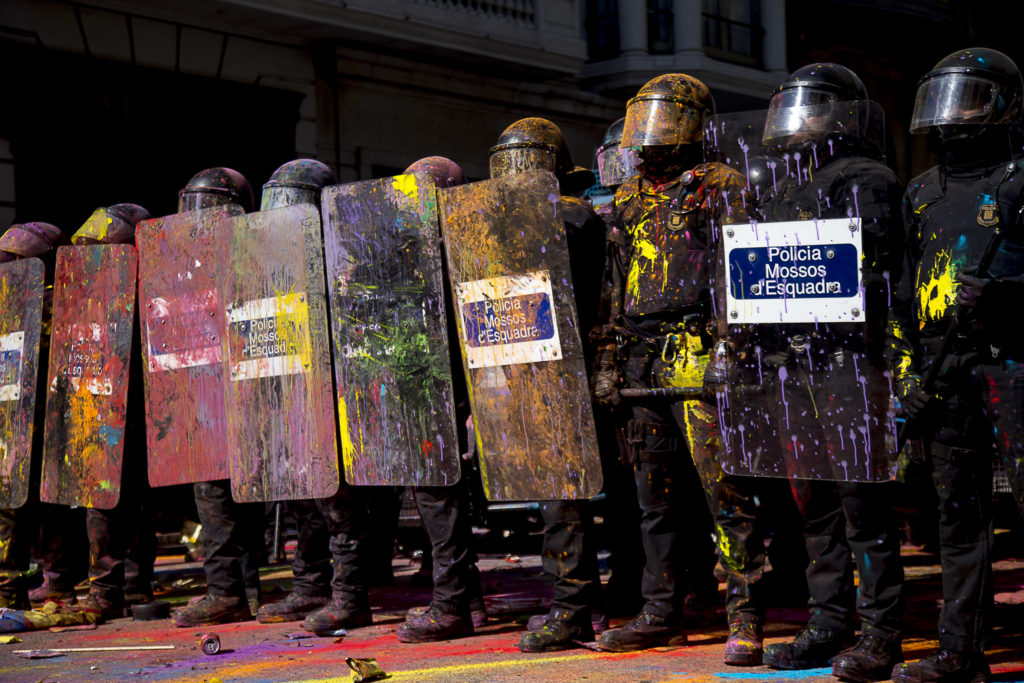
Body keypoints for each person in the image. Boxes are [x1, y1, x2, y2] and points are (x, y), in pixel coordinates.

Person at [738, 63, 906, 682]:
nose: (796, 120)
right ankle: (830, 621)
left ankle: (882, 631)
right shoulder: (780, 185)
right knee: (817, 510)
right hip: (794, 366)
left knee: (864, 505)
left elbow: (875, 274)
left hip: (851, 364)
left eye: (811, 108)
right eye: (791, 108)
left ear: (842, 114)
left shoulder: (866, 177)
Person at [590, 73, 747, 654]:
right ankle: (661, 611)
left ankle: (745, 616)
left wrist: (731, 346)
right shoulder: (627, 196)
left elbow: (740, 273)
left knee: (722, 493)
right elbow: (613, 286)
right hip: (641, 355)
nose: (653, 135)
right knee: (652, 499)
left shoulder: (720, 185)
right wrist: (608, 360)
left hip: (698, 346)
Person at [889, 47, 1024, 683]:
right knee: (957, 522)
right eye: (947, 100)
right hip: (945, 374)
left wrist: (1007, 292)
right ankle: (959, 653)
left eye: (969, 99)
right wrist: (909, 379)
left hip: (1012, 369)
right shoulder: (921, 191)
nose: (952, 117)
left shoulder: (1022, 179)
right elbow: (901, 294)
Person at [476, 117, 607, 653]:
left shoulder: (573, 218)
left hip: (565, 371)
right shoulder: (506, 221)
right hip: (530, 368)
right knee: (560, 499)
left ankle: (573, 609)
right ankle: (583, 601)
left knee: (564, 499)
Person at [394, 155, 487, 643]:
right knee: (437, 498)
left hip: (453, 386)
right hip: (432, 384)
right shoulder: (419, 248)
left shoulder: (459, 243)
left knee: (439, 497)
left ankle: (452, 605)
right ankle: (465, 598)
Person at [170, 167, 267, 628]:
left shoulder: (255, 250)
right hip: (206, 393)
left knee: (237, 491)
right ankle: (235, 589)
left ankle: (234, 589)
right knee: (216, 491)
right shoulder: (182, 262)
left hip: (247, 389)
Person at [66, 203, 158, 622]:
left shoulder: (154, 285)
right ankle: (107, 589)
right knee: (102, 495)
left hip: (144, 407)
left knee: (137, 499)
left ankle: (135, 584)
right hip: (103, 405)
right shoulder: (85, 292)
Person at [0, 221, 70, 609]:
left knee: (41, 506)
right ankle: (24, 587)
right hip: (20, 416)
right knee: (26, 506)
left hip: (48, 417)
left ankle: (29, 588)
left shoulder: (61, 303)